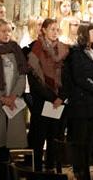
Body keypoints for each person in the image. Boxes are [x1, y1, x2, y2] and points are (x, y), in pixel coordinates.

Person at [63, 21, 93, 180]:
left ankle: (86, 170)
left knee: (90, 140)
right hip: (81, 102)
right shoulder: (75, 51)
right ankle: (79, 172)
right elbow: (80, 77)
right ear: (84, 33)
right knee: (80, 140)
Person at [26, 19, 69, 171]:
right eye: (52, 29)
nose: (55, 32)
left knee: (55, 137)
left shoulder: (64, 49)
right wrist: (52, 98)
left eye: (57, 29)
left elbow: (67, 77)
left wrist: (61, 97)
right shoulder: (35, 48)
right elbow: (34, 78)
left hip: (59, 100)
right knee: (39, 137)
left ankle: (52, 168)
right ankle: (36, 169)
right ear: (43, 30)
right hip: (41, 99)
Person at [0, 19, 28, 162]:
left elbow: (22, 75)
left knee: (6, 144)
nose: (7, 34)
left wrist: (14, 96)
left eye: (9, 31)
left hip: (12, 102)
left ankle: (4, 173)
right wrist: (1, 98)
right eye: (3, 31)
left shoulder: (14, 49)